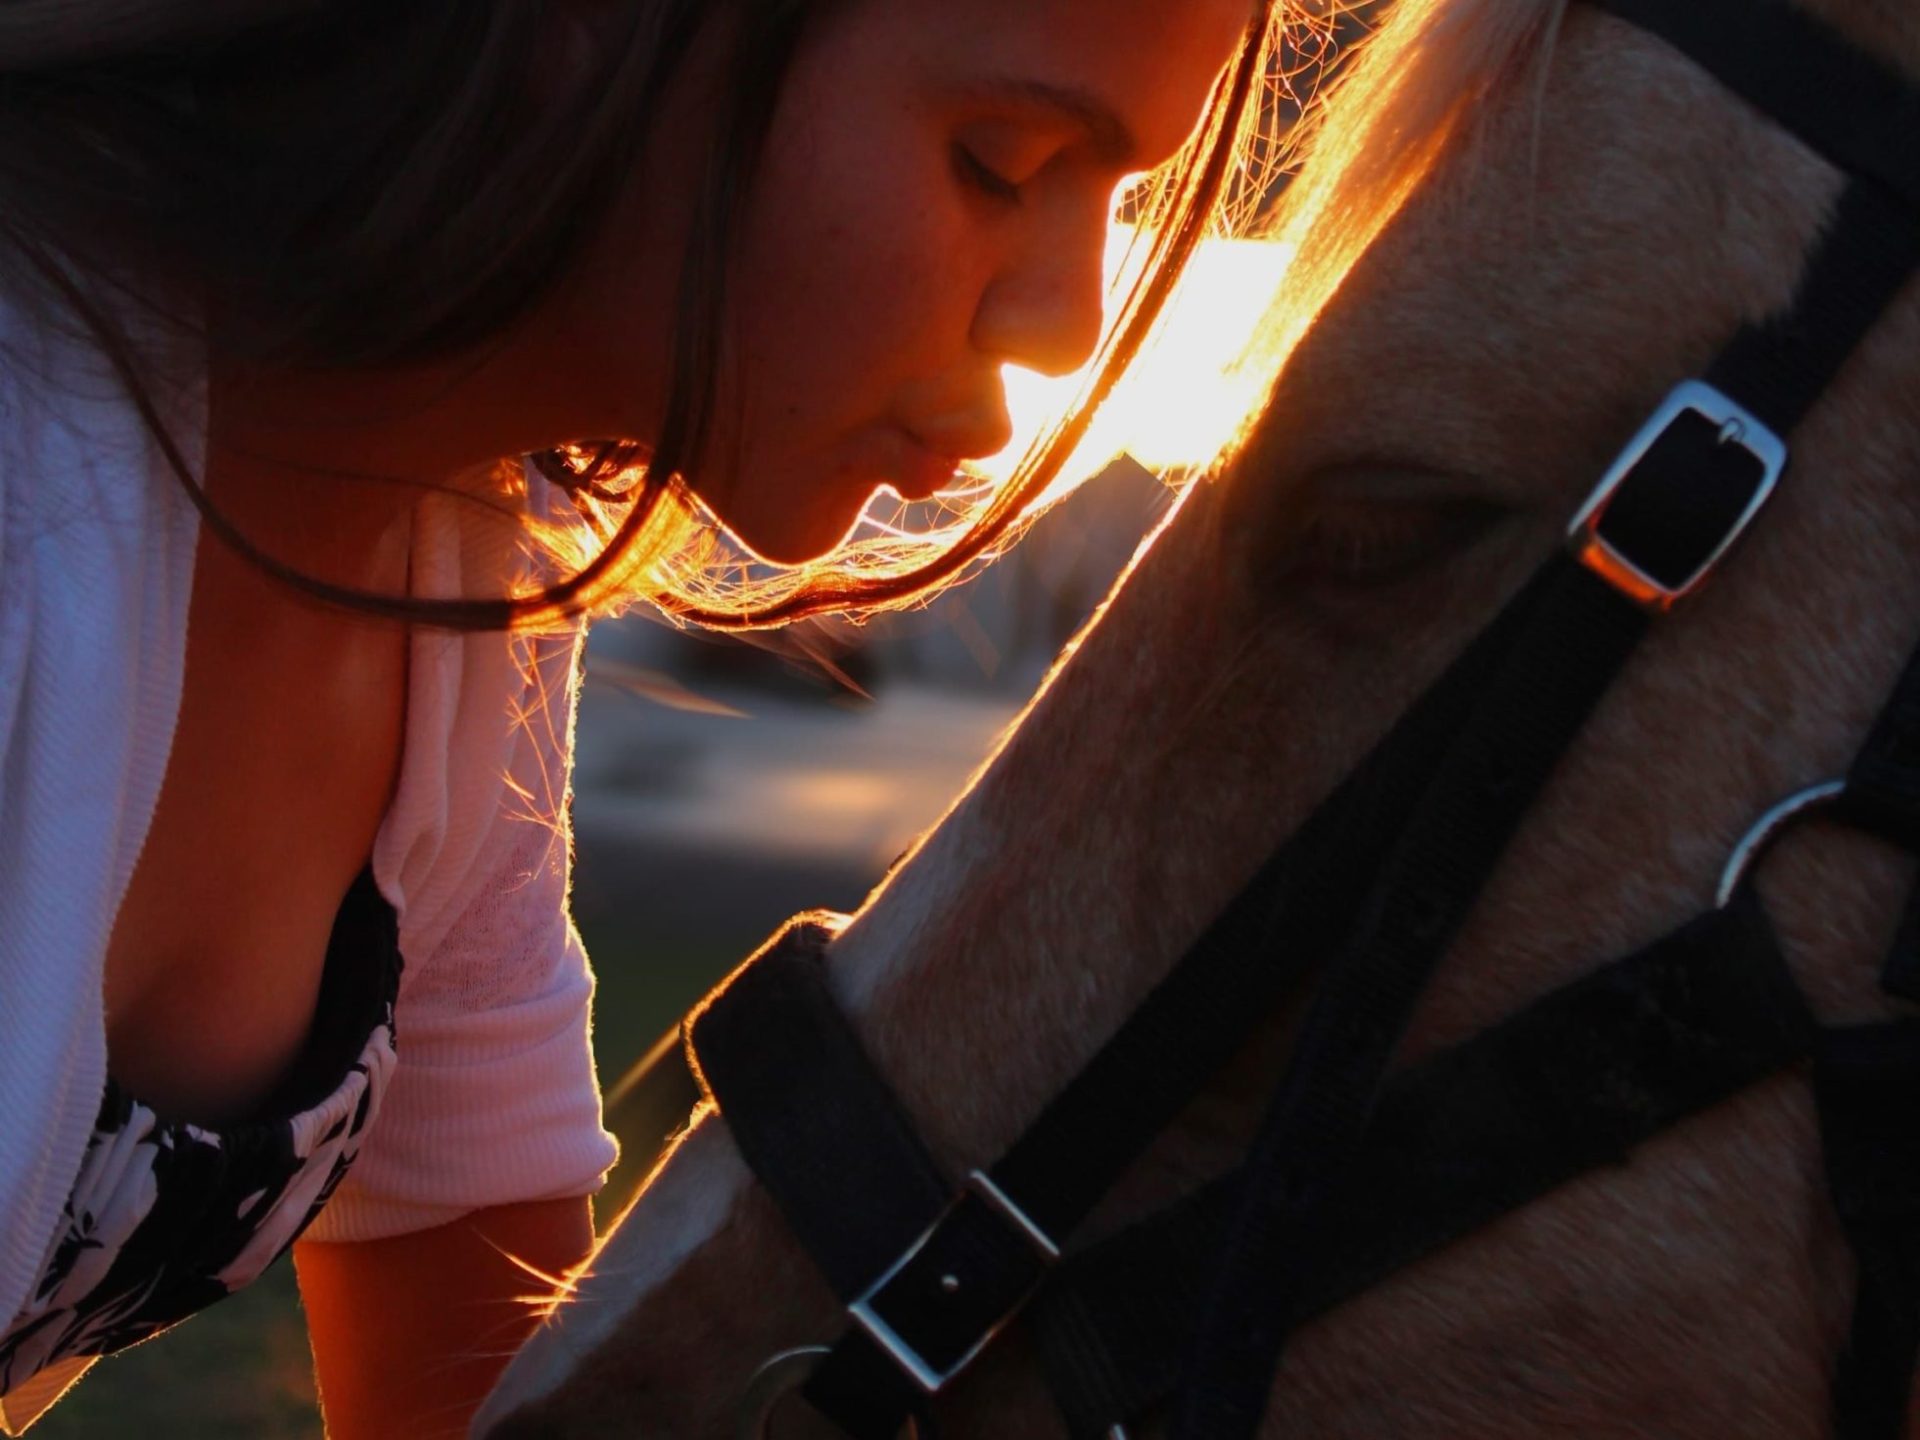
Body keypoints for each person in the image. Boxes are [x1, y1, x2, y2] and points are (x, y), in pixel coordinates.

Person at [0, 0, 1270, 1433]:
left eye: (1122, 200)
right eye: (1000, 160)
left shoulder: (468, 577)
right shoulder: (32, 486)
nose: (1066, 322)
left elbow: (475, 1367)